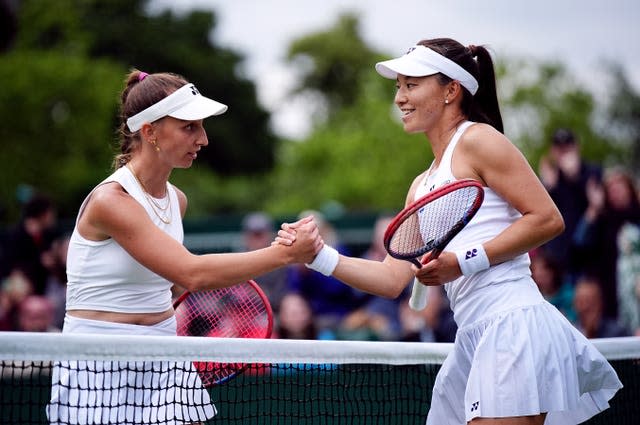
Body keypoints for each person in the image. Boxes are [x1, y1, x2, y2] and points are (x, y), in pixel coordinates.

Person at [277, 38, 622, 425]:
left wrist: (462, 262)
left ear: (451, 90)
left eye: (411, 85)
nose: (399, 99)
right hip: (472, 335)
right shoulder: (420, 185)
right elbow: (393, 278)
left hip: (512, 324)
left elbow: (547, 219)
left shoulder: (480, 140)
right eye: (398, 87)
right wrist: (318, 255)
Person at [46, 69, 322, 425]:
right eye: (189, 127)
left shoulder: (177, 200)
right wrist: (284, 253)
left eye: (202, 126)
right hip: (98, 360)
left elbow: (174, 283)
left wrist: (225, 321)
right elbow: (192, 273)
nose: (203, 139)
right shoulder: (111, 201)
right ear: (149, 132)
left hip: (164, 352)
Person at [572, 167, 640, 320]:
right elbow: (578, 246)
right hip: (611, 293)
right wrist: (593, 210)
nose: (616, 194)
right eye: (611, 190)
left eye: (620, 189)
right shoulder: (603, 222)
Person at [538, 129, 602, 280]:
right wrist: (548, 188)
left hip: (587, 257)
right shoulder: (550, 176)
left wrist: (575, 177)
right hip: (558, 259)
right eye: (558, 147)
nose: (563, 151)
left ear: (576, 147)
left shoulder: (592, 171)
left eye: (567, 146)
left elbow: (595, 209)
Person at [239, 211, 289, 312]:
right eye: (254, 234)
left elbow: (283, 298)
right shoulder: (236, 261)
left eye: (260, 234)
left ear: (270, 234)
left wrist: (259, 295)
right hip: (242, 317)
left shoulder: (282, 262)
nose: (257, 239)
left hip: (274, 316)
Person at [572, 274, 630, 339]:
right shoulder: (571, 333)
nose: (585, 307)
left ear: (600, 303)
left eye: (589, 301)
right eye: (581, 302)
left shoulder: (617, 333)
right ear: (574, 304)